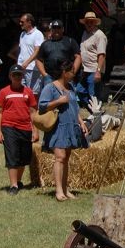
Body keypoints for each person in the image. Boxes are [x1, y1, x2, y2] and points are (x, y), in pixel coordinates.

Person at [39, 59, 89, 201]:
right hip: (58, 127)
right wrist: (58, 101)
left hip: (70, 126)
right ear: (64, 72)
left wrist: (81, 122)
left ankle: (65, 189)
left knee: (66, 158)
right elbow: (41, 106)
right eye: (71, 71)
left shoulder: (71, 87)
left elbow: (74, 108)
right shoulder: (50, 88)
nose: (74, 74)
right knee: (60, 157)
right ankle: (59, 191)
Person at [0, 65, 38, 194]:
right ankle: (13, 185)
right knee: (12, 155)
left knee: (24, 158)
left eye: (19, 74)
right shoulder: (4, 92)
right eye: (14, 75)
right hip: (9, 127)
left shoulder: (28, 92)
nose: (17, 77)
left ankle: (18, 181)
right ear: (10, 76)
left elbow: (33, 112)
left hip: (25, 128)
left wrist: (35, 130)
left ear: (22, 76)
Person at [36, 19, 81, 87]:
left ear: (63, 29)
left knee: (67, 94)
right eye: (54, 28)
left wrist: (72, 72)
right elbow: (38, 60)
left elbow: (78, 57)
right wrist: (45, 75)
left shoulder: (70, 41)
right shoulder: (45, 44)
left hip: (66, 76)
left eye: (59, 28)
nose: (56, 30)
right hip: (50, 78)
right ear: (51, 29)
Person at [78, 11, 107, 103]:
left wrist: (98, 71)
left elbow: (101, 54)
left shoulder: (99, 35)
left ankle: (96, 110)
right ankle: (92, 109)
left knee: (93, 95)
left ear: (95, 23)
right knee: (80, 91)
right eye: (87, 22)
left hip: (94, 69)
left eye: (91, 22)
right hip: (85, 69)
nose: (89, 24)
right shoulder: (85, 33)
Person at [15, 13, 45, 95]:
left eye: (22, 22)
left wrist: (27, 62)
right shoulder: (22, 34)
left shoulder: (38, 34)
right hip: (21, 68)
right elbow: (22, 51)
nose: (20, 23)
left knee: (33, 93)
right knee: (22, 92)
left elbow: (37, 51)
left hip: (33, 68)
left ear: (29, 22)